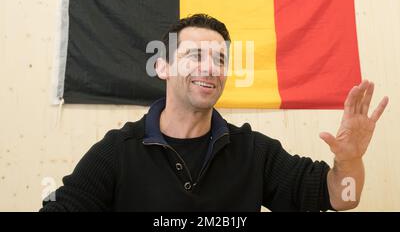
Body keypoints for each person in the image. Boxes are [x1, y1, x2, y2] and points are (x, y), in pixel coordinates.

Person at [40, 13, 389, 211]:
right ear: (162, 67)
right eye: (195, 56)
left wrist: (351, 161)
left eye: (220, 59)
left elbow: (342, 197)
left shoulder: (254, 151)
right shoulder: (118, 151)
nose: (210, 68)